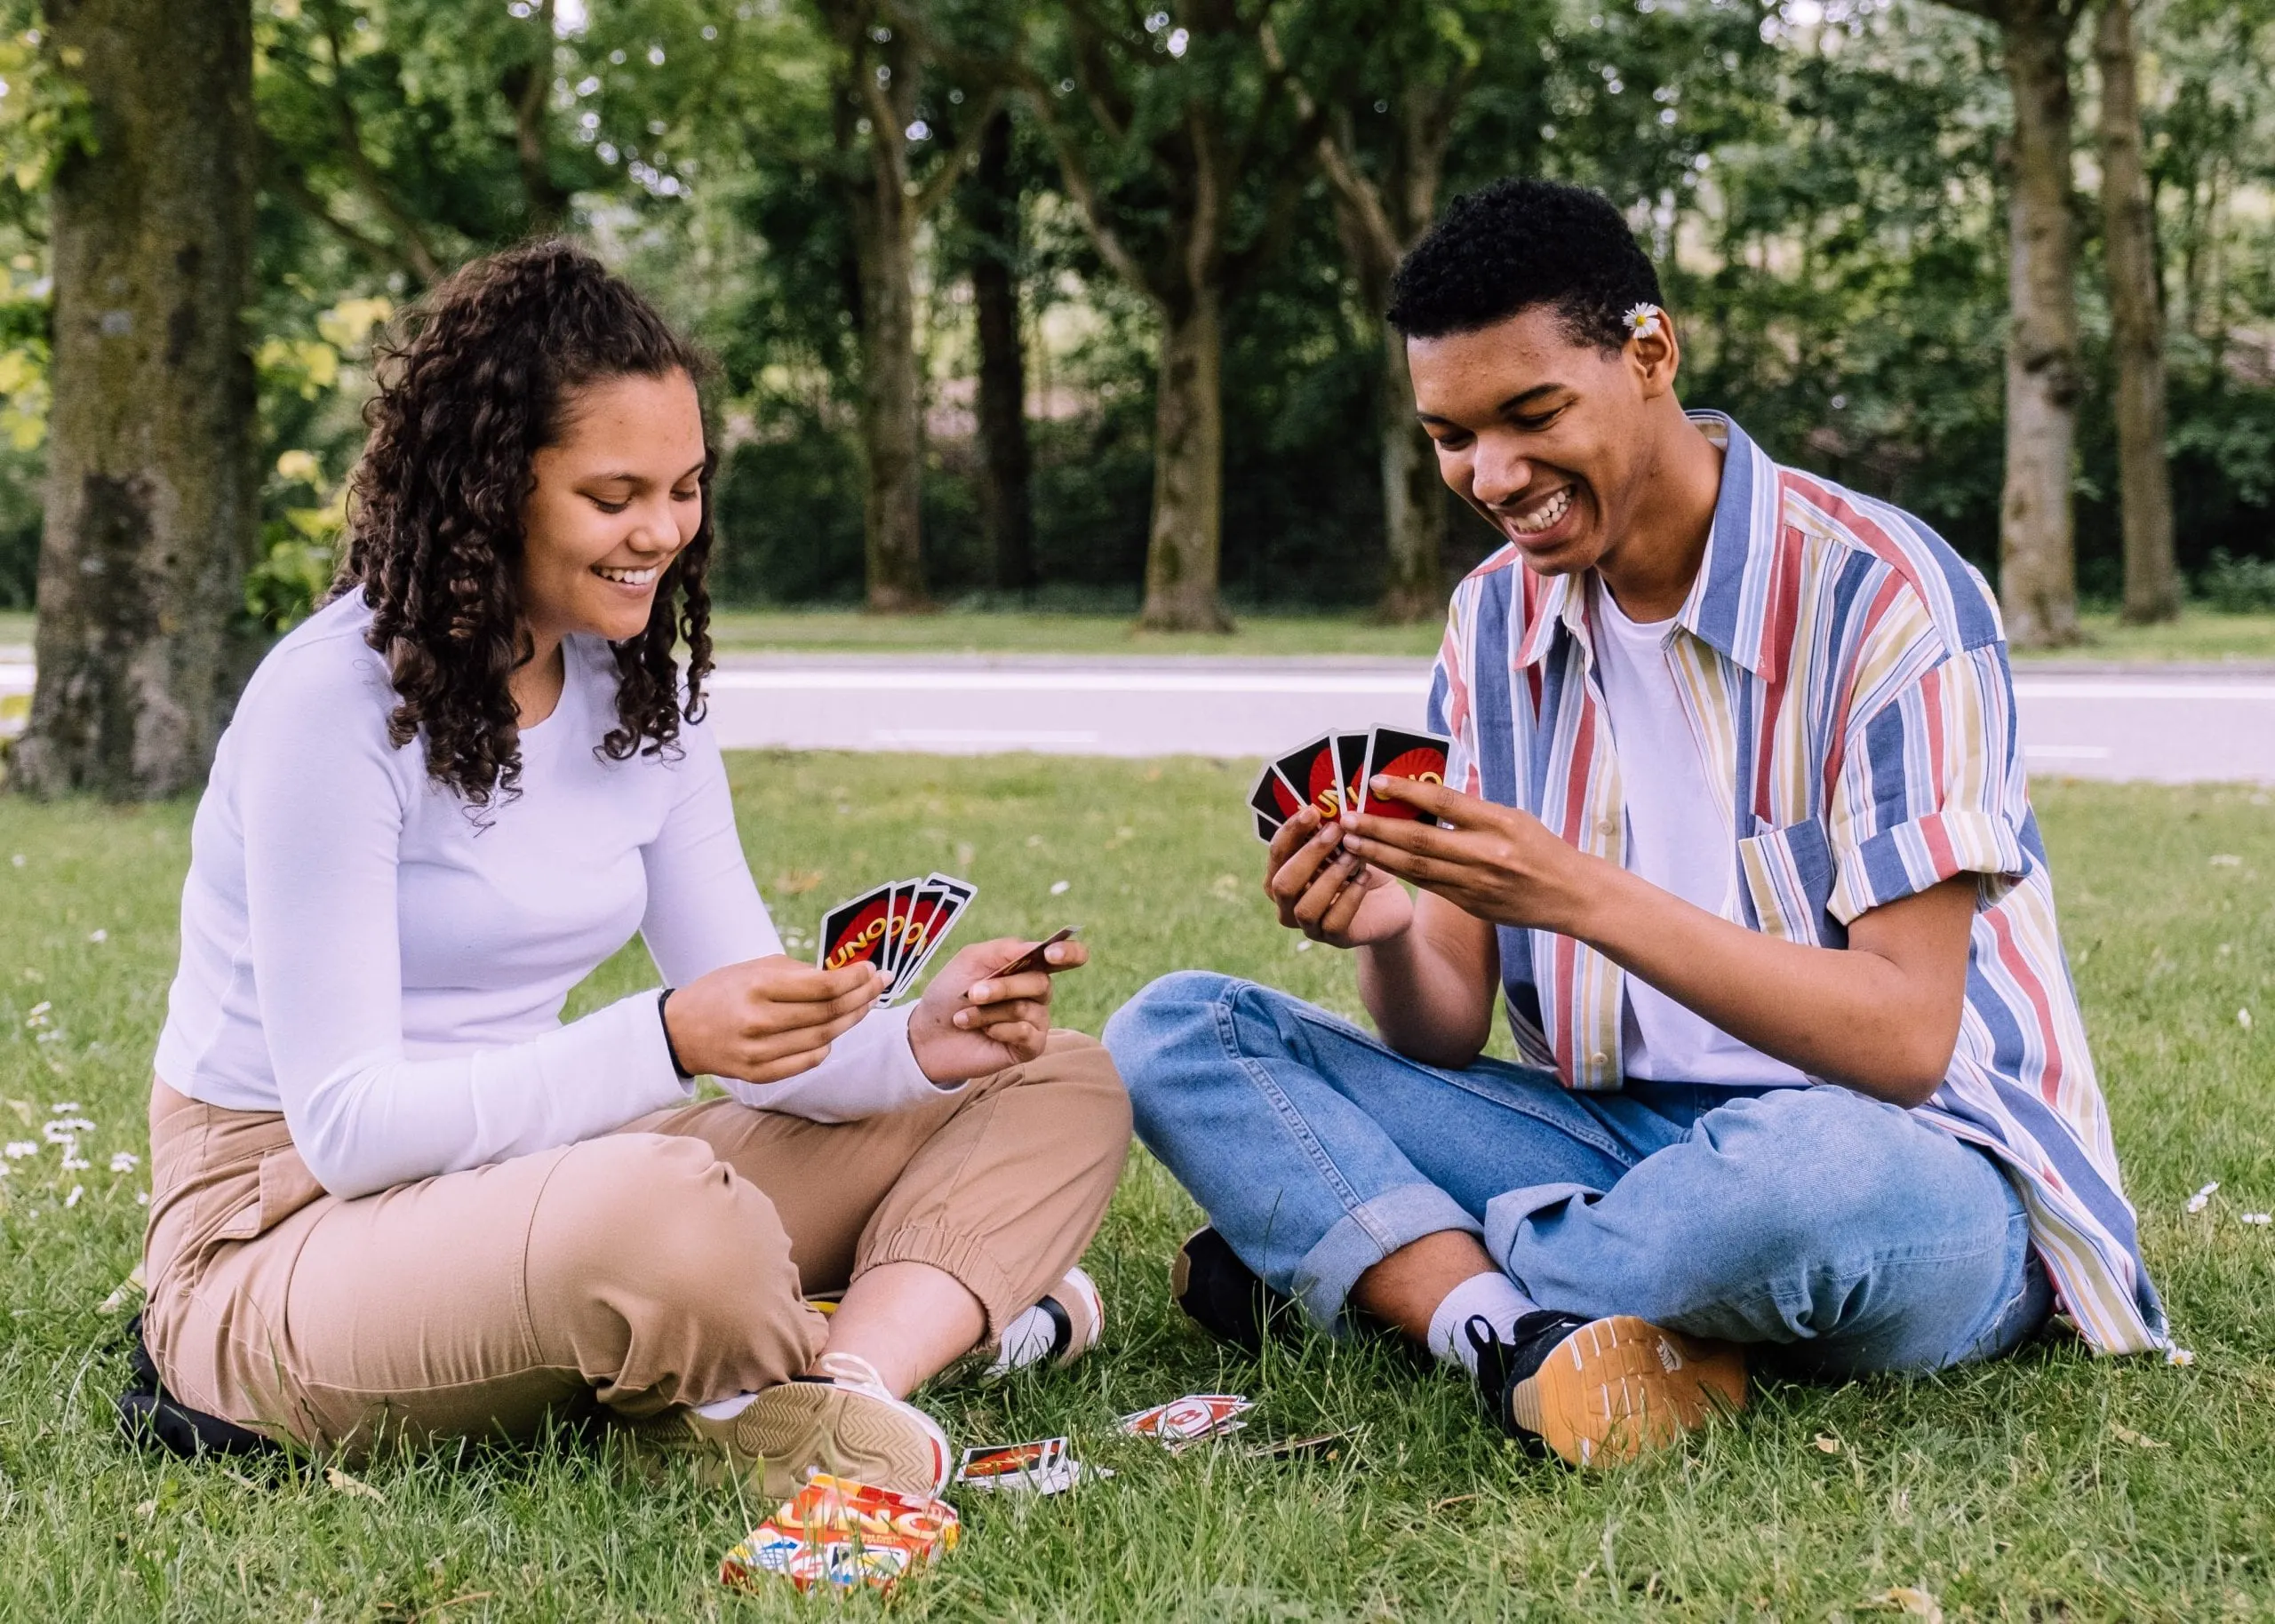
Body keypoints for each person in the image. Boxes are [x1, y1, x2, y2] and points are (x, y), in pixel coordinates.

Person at [1104, 179, 2166, 1469]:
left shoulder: (1883, 597)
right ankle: (1501, 1331)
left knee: (1796, 1189)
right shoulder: (1493, 624)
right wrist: (1389, 930)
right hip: (1612, 1138)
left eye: (1531, 413)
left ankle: (1387, 1257)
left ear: (1650, 354)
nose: (1493, 475)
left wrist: (1573, 892)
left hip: (1910, 1164)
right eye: (1450, 435)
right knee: (1176, 1031)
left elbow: (1901, 1037)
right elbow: (1438, 1027)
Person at [139, 241, 1131, 1500]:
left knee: (1060, 1080)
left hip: (537, 1175)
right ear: (492, 488)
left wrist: (921, 1043)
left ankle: (841, 1390)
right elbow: (349, 1128)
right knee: (669, 1218)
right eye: (615, 497)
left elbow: (753, 1012)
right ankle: (949, 1319)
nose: (660, 532)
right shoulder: (330, 704)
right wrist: (664, 1040)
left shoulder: (638, 691)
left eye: (686, 487)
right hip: (285, 1224)